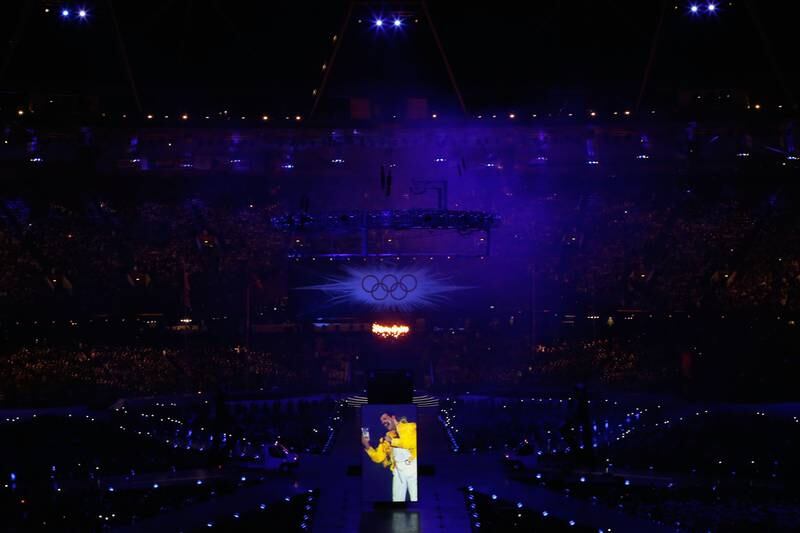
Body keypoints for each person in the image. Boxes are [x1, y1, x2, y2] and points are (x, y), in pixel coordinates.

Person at [362, 412, 418, 502]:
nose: (383, 422)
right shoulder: (387, 437)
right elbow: (379, 457)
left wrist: (392, 441)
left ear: (393, 417)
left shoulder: (410, 426)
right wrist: (367, 445)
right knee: (397, 500)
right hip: (398, 470)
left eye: (385, 419)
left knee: (415, 498)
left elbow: (410, 443)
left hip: (413, 467)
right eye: (381, 422)